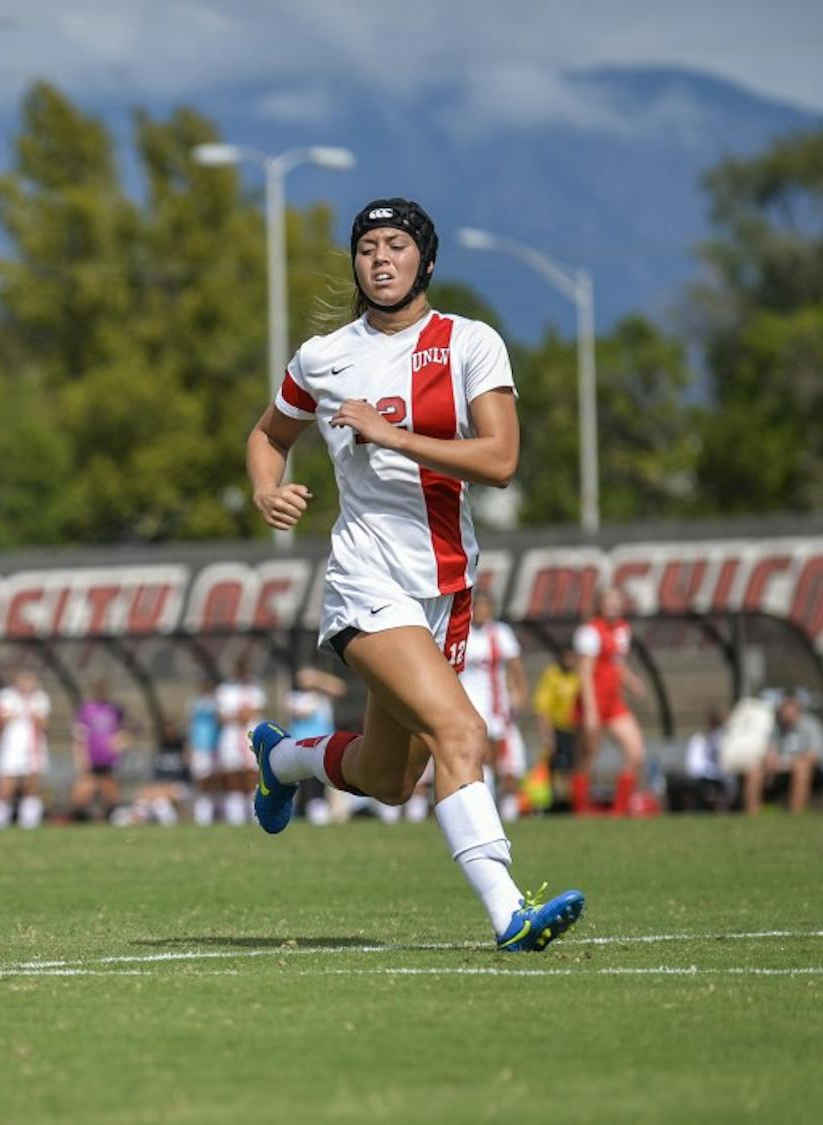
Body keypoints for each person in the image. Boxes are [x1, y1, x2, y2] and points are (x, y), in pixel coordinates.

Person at [240, 198, 583, 951]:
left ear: (424, 260)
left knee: (391, 777)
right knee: (462, 729)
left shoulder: (470, 342)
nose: (380, 259)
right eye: (367, 247)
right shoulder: (322, 356)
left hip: (448, 589)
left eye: (396, 245)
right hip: (366, 583)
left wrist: (392, 434)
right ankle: (509, 912)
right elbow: (270, 436)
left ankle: (285, 757)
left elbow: (499, 461)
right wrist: (269, 488)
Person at [572, 587, 648, 816]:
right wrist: (591, 712)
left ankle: (620, 810)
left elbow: (618, 664)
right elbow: (585, 674)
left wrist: (632, 682)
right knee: (587, 757)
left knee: (635, 752)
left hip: (614, 704)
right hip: (592, 703)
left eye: (617, 601)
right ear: (599, 604)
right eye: (609, 601)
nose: (614, 606)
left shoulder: (623, 629)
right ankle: (581, 809)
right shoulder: (590, 632)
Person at [459, 591, 529, 821]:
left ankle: (509, 813)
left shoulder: (501, 633)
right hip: (471, 704)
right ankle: (484, 812)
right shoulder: (463, 632)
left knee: (511, 763)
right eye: (477, 607)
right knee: (483, 757)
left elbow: (515, 665)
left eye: (485, 607)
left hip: (499, 706)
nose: (481, 612)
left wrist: (520, 692)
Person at [0, 669, 50, 829]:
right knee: (5, 787)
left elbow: (44, 723)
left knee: (32, 785)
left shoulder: (40, 698)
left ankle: (29, 823)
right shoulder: (6, 696)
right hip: (11, 749)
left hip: (33, 748)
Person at [285, 667, 346, 825]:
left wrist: (319, 679)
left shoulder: (323, 696)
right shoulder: (293, 697)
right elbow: (302, 712)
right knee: (306, 781)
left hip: (324, 744)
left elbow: (340, 688)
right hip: (302, 745)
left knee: (321, 779)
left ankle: (319, 811)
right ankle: (303, 811)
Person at [743, 693, 821, 815]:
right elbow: (770, 750)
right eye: (784, 709)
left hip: (808, 769)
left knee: (801, 768)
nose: (787, 713)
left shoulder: (810, 725)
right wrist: (770, 760)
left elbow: (815, 755)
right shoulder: (776, 728)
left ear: (797, 710)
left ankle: (795, 813)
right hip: (780, 768)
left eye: (790, 709)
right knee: (753, 772)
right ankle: (753, 814)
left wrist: (793, 762)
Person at [69, 678, 128, 822]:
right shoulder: (86, 710)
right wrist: (80, 757)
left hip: (108, 759)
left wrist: (121, 742)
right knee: (81, 797)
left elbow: (128, 729)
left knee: (111, 796)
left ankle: (110, 820)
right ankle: (80, 821)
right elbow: (79, 735)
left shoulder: (115, 709)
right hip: (91, 759)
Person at [215, 657, 265, 826]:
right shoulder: (225, 690)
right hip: (231, 738)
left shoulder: (255, 688)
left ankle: (255, 816)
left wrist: (239, 715)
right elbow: (222, 716)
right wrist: (239, 715)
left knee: (252, 777)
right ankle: (234, 818)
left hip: (250, 736)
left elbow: (255, 711)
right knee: (232, 777)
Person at [532, 646, 581, 812]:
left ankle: (575, 802)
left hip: (576, 730)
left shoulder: (579, 675)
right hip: (558, 729)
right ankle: (555, 803)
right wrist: (548, 736)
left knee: (574, 767)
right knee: (557, 768)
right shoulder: (552, 675)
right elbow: (543, 708)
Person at [184, 677, 222, 826]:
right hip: (200, 746)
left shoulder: (217, 703)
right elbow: (190, 726)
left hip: (215, 746)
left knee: (216, 781)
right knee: (201, 781)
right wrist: (189, 748)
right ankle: (202, 815)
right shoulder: (194, 703)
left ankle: (218, 813)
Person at [683, 708, 735, 812]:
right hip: (703, 778)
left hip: (722, 778)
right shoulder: (699, 739)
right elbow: (693, 766)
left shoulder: (725, 738)